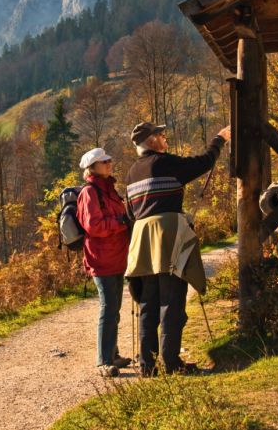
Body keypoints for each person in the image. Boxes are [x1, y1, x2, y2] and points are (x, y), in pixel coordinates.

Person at [125, 121, 231, 376]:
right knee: (172, 300)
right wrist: (219, 139)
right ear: (152, 141)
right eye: (162, 135)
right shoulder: (164, 162)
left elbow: (129, 213)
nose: (165, 139)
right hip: (168, 235)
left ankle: (147, 365)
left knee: (148, 304)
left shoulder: (131, 172)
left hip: (142, 239)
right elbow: (203, 162)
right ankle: (172, 364)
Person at [76, 147, 132, 378]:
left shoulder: (109, 190)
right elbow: (95, 226)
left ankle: (113, 354)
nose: (109, 163)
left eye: (109, 159)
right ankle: (104, 361)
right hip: (101, 259)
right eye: (104, 161)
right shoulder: (90, 192)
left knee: (114, 309)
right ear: (92, 168)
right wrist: (122, 222)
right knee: (108, 309)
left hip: (117, 257)